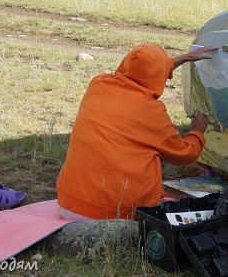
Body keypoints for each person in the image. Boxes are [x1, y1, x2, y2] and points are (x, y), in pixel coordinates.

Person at [56, 43, 216, 220]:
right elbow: (184, 154)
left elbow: (141, 70)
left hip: (68, 203)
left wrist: (182, 59)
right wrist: (197, 132)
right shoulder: (150, 110)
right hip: (113, 214)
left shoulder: (98, 84)